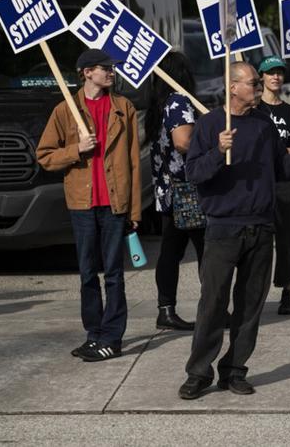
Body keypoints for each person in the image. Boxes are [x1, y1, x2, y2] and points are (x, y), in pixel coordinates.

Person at [178, 61, 290, 399]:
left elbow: (282, 169)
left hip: (260, 227)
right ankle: (199, 372)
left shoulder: (262, 124)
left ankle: (235, 370)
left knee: (250, 305)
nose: (259, 87)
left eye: (259, 83)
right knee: (212, 304)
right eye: (253, 82)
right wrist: (218, 151)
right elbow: (193, 173)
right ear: (232, 87)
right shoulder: (210, 124)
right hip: (223, 229)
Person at [36, 48, 140, 362]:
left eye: (111, 68)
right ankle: (94, 334)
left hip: (114, 204)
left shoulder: (124, 108)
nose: (111, 72)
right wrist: (76, 149)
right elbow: (44, 156)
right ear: (86, 72)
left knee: (114, 273)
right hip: (81, 204)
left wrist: (134, 211)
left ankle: (112, 338)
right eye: (104, 68)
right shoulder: (65, 111)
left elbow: (134, 161)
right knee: (86, 273)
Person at [146, 51, 205, 330]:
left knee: (171, 251)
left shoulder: (158, 106)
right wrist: (216, 146)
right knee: (208, 251)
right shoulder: (179, 102)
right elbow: (183, 141)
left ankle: (165, 308)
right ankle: (213, 309)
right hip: (187, 189)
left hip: (167, 190)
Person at [256, 56, 290, 315]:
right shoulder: (254, 112)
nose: (275, 77)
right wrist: (285, 151)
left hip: (285, 182)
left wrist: (284, 152)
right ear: (261, 77)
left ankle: (286, 290)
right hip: (259, 182)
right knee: (259, 239)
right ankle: (256, 291)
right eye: (270, 73)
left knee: (286, 238)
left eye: (279, 73)